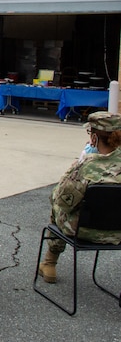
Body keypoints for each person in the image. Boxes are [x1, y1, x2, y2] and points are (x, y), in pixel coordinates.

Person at [38, 111, 121, 283]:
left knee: (56, 202)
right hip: (118, 232)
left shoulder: (87, 166)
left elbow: (63, 200)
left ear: (95, 138)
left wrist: (78, 163)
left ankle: (50, 263)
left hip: (85, 230)